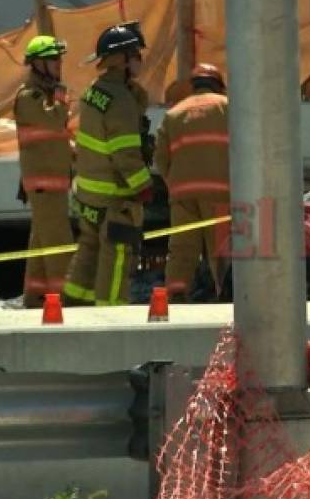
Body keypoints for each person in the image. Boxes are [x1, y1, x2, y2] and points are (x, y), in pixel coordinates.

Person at [63, 22, 153, 306]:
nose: (140, 59)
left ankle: (76, 305)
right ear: (122, 60)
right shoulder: (120, 99)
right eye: (135, 54)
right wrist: (145, 186)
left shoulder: (95, 91)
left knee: (89, 248)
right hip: (116, 196)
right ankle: (111, 314)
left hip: (88, 194)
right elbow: (124, 153)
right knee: (118, 255)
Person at [154, 63, 229, 302]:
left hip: (182, 195)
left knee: (182, 250)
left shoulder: (174, 113)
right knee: (221, 250)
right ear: (218, 85)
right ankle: (226, 295)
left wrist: (174, 184)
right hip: (220, 193)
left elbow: (161, 158)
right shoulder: (227, 108)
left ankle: (175, 295)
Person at [15, 35, 74, 308]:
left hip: (51, 183)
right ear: (37, 63)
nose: (59, 64)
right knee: (58, 243)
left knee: (42, 243)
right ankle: (65, 299)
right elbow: (53, 120)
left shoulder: (44, 97)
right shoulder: (30, 97)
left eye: (59, 59)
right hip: (44, 184)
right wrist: (61, 97)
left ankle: (35, 298)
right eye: (53, 59)